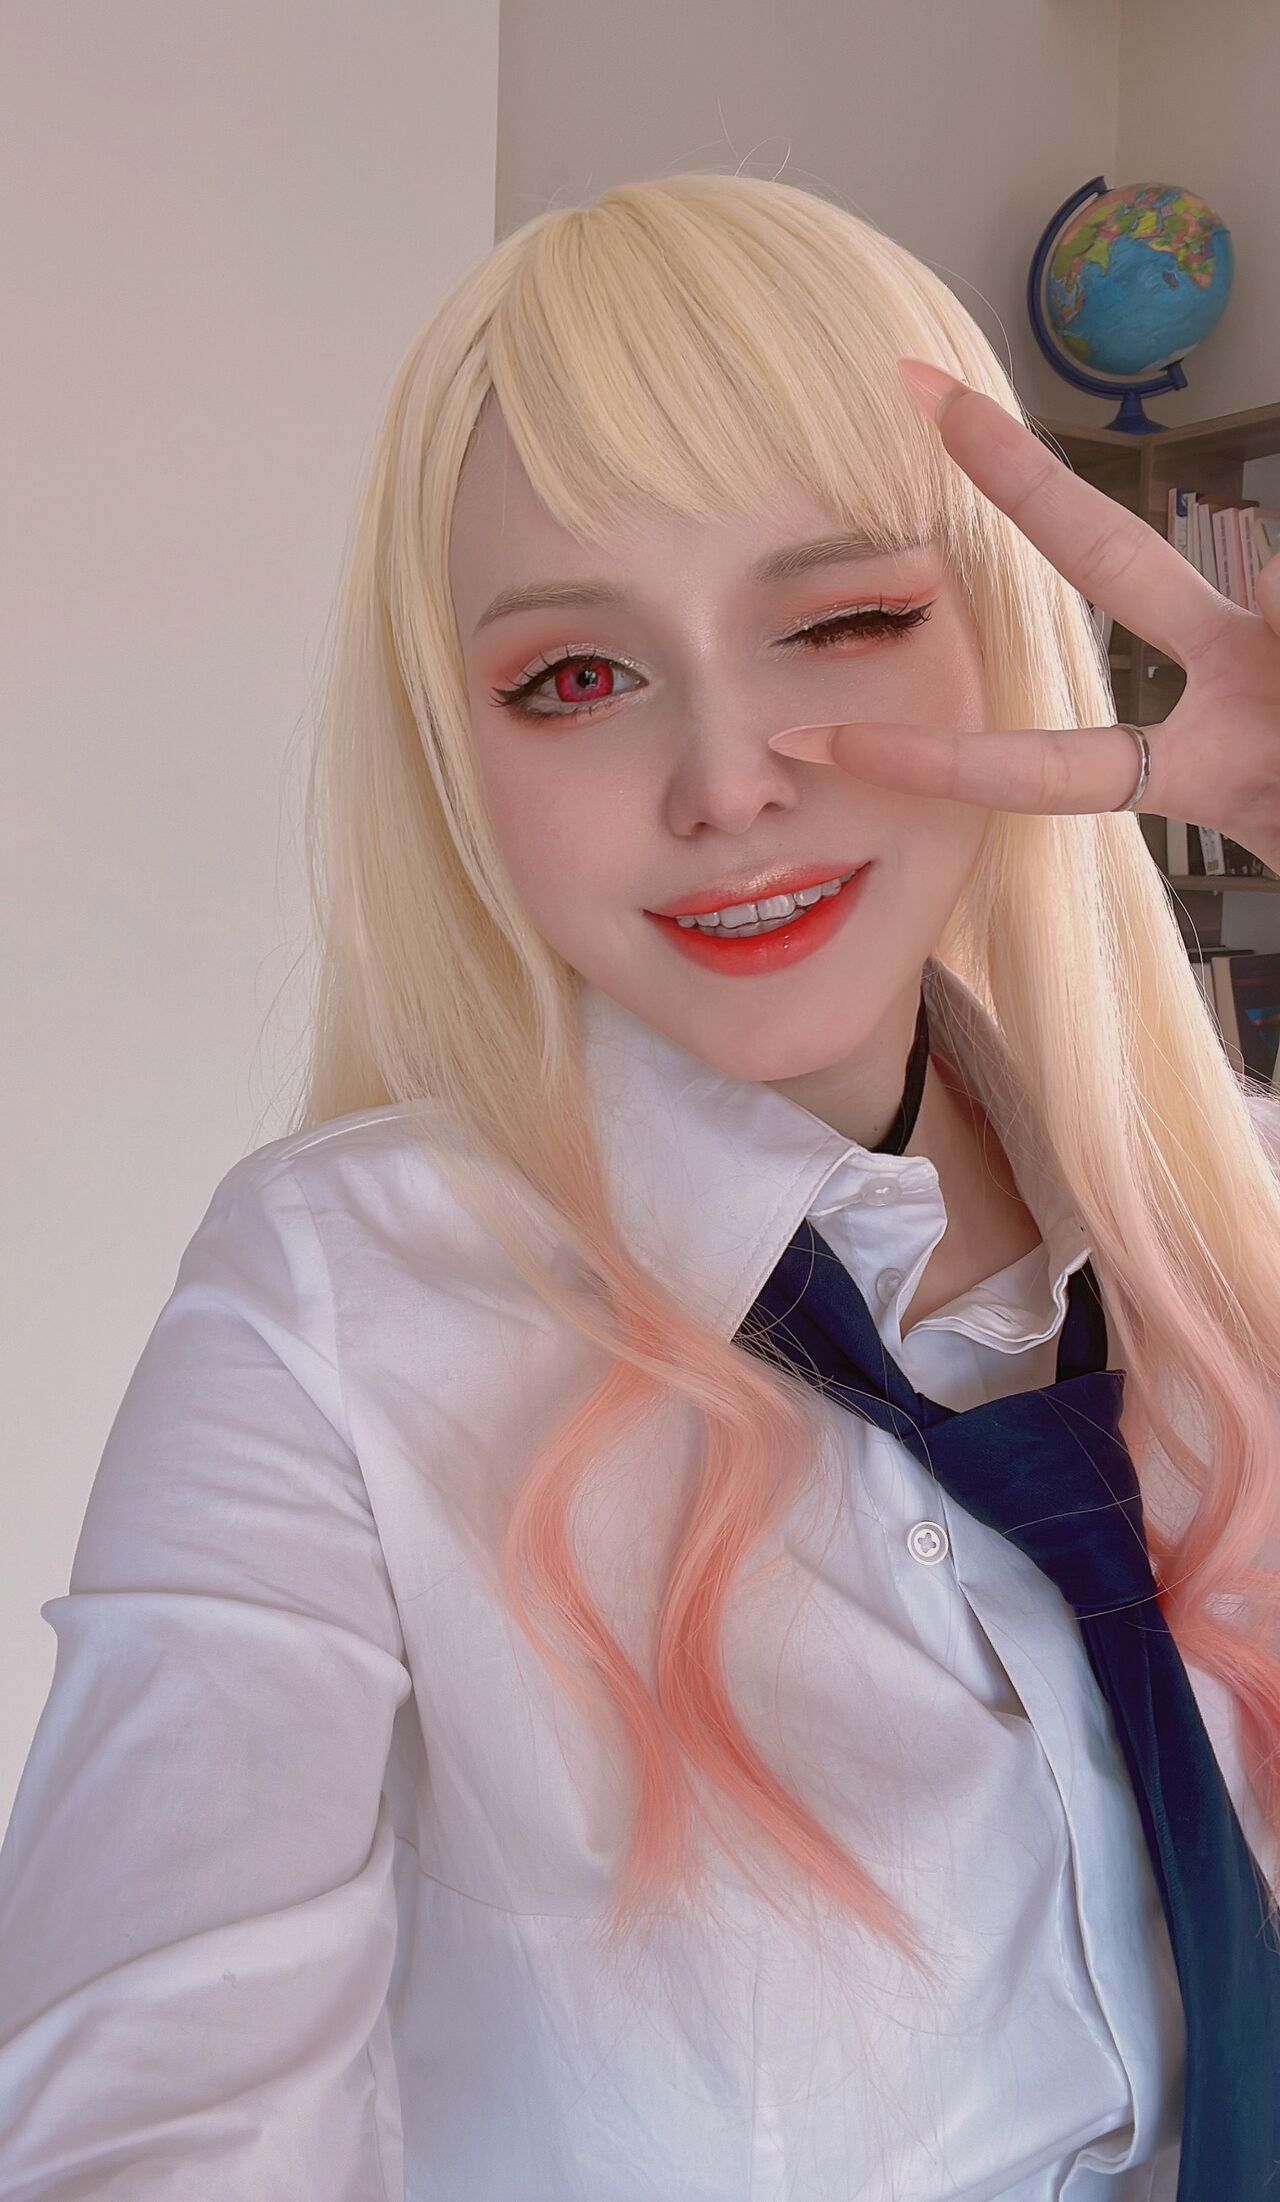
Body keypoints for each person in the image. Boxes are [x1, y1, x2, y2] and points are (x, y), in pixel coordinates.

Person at [1, 170, 1278, 2201]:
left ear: (1011, 632)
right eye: (577, 678)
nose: (728, 780)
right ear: (460, 748)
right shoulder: (335, 1306)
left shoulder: (1233, 1224)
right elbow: (150, 2115)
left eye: (843, 621)